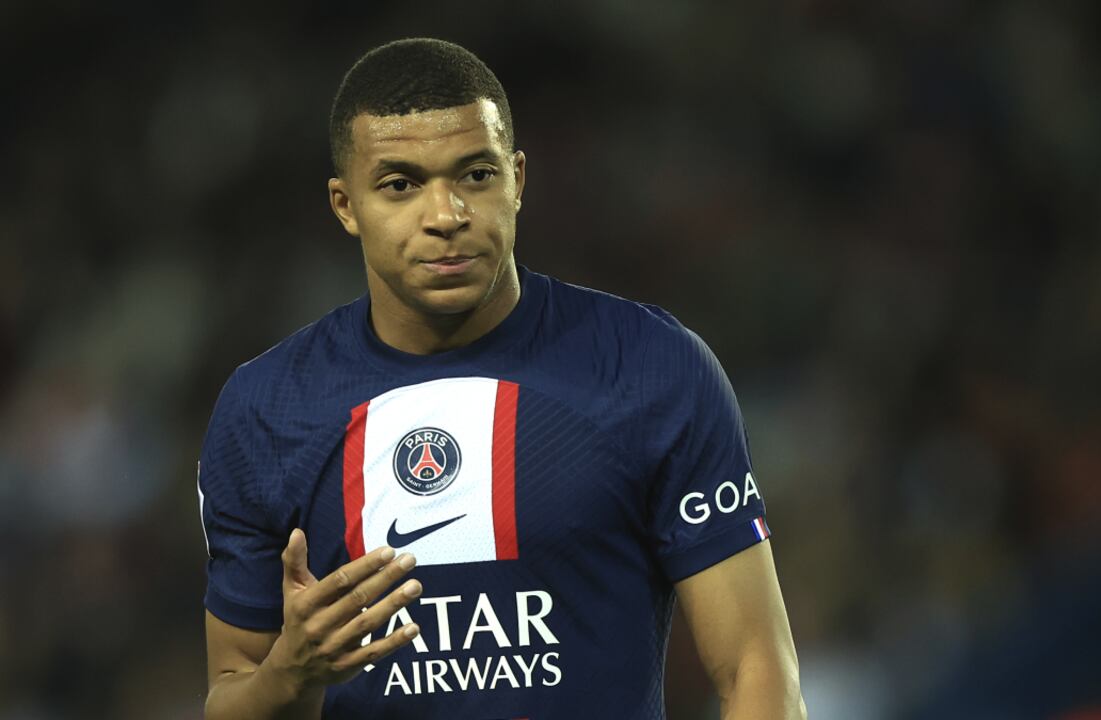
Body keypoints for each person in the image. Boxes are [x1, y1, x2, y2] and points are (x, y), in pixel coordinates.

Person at [199, 37, 806, 720]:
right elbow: (232, 688)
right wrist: (289, 674)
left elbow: (757, 669)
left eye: (476, 176)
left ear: (518, 179)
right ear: (345, 205)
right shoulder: (266, 409)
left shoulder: (651, 368)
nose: (446, 215)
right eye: (401, 184)